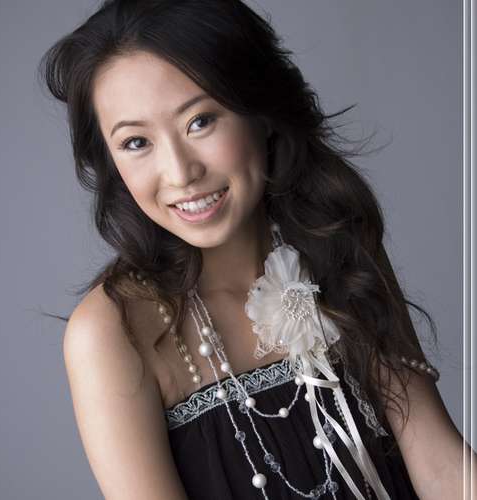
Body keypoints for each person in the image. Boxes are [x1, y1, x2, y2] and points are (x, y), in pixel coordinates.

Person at [39, 1, 470, 498]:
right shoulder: (113, 332)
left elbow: (441, 466)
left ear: (261, 113)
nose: (180, 173)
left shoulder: (336, 242)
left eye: (200, 121)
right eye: (136, 142)